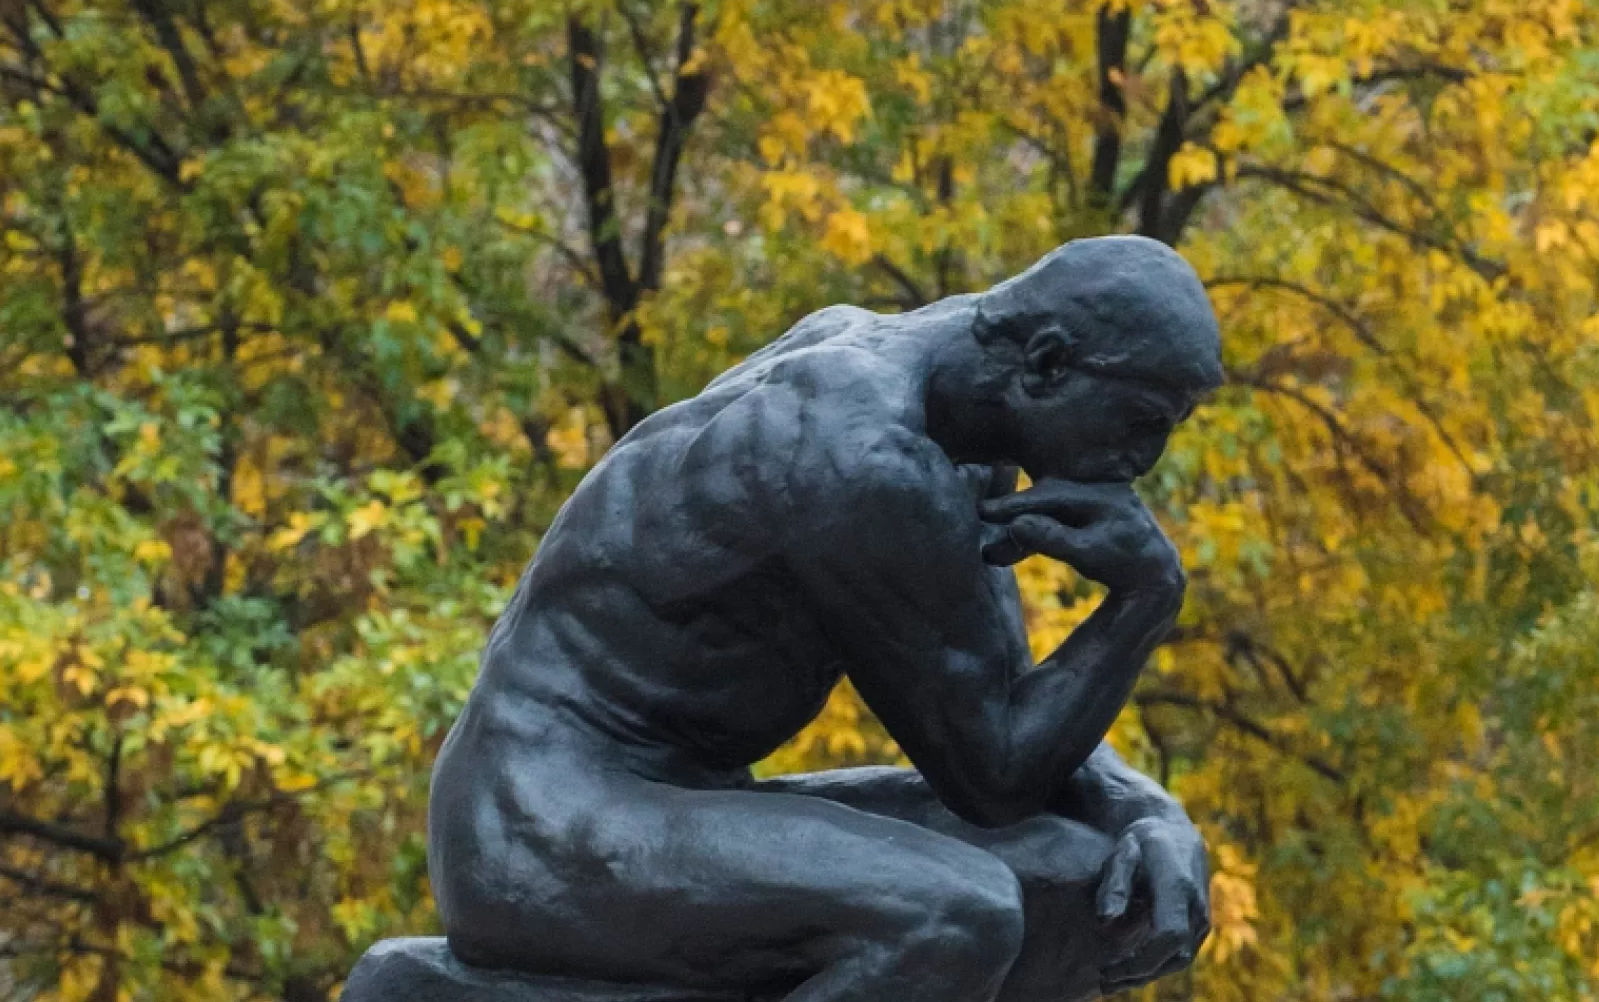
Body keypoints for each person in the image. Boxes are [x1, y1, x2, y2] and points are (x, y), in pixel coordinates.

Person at [395, 236, 1221, 1002]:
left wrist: (1146, 813)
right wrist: (1146, 599)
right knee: (954, 914)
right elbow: (996, 775)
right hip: (534, 816)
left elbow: (1001, 705)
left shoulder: (955, 414)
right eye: (1144, 423)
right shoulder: (865, 455)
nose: (1142, 464)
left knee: (1097, 878)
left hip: (672, 797)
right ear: (1047, 364)